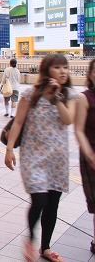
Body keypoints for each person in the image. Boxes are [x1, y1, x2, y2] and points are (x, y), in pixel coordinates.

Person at [5, 54, 77, 262]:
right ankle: (31, 238)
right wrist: (9, 149)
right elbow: (17, 123)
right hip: (33, 157)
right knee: (39, 200)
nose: (63, 71)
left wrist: (56, 97)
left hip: (57, 159)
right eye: (57, 67)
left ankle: (45, 248)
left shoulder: (69, 94)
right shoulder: (31, 94)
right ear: (47, 71)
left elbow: (68, 119)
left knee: (53, 204)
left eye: (66, 67)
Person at [75, 59, 95, 256]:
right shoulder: (84, 98)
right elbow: (79, 129)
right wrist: (89, 154)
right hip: (91, 155)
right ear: (90, 75)